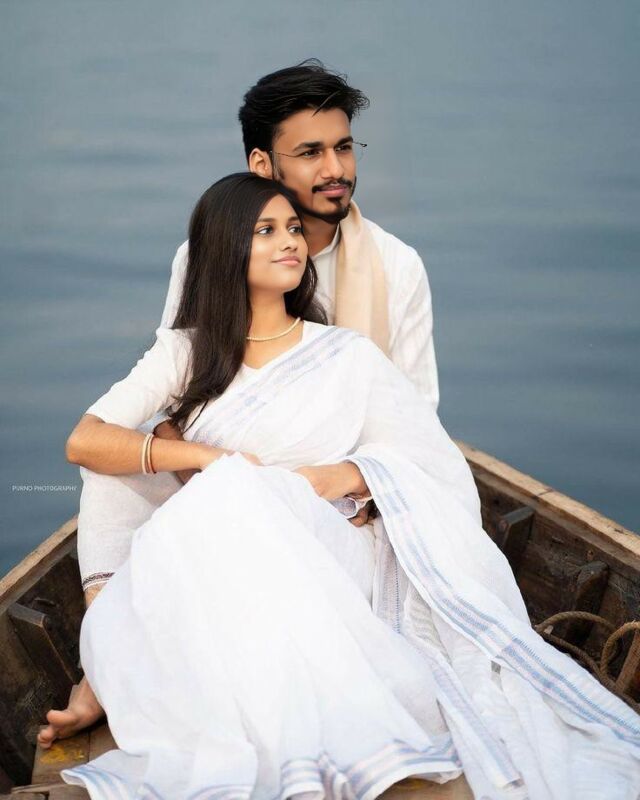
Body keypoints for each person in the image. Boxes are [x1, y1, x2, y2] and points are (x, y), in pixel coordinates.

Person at [58, 174, 639, 799]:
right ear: (225, 248)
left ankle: (118, 670)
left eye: (292, 228)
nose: (290, 242)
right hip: (222, 548)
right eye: (266, 231)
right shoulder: (184, 353)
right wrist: (207, 457)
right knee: (123, 475)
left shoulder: (344, 355)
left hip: (329, 551)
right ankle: (108, 656)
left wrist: (342, 477)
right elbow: (84, 439)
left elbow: (432, 462)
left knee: (228, 495)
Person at [39, 59, 441, 748]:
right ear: (262, 164)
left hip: (339, 502)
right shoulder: (206, 257)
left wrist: (305, 488)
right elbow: (181, 396)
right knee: (112, 479)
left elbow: (415, 432)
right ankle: (103, 666)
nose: (335, 169)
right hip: (223, 476)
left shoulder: (395, 270)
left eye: (344, 147)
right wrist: (219, 477)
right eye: (310, 152)